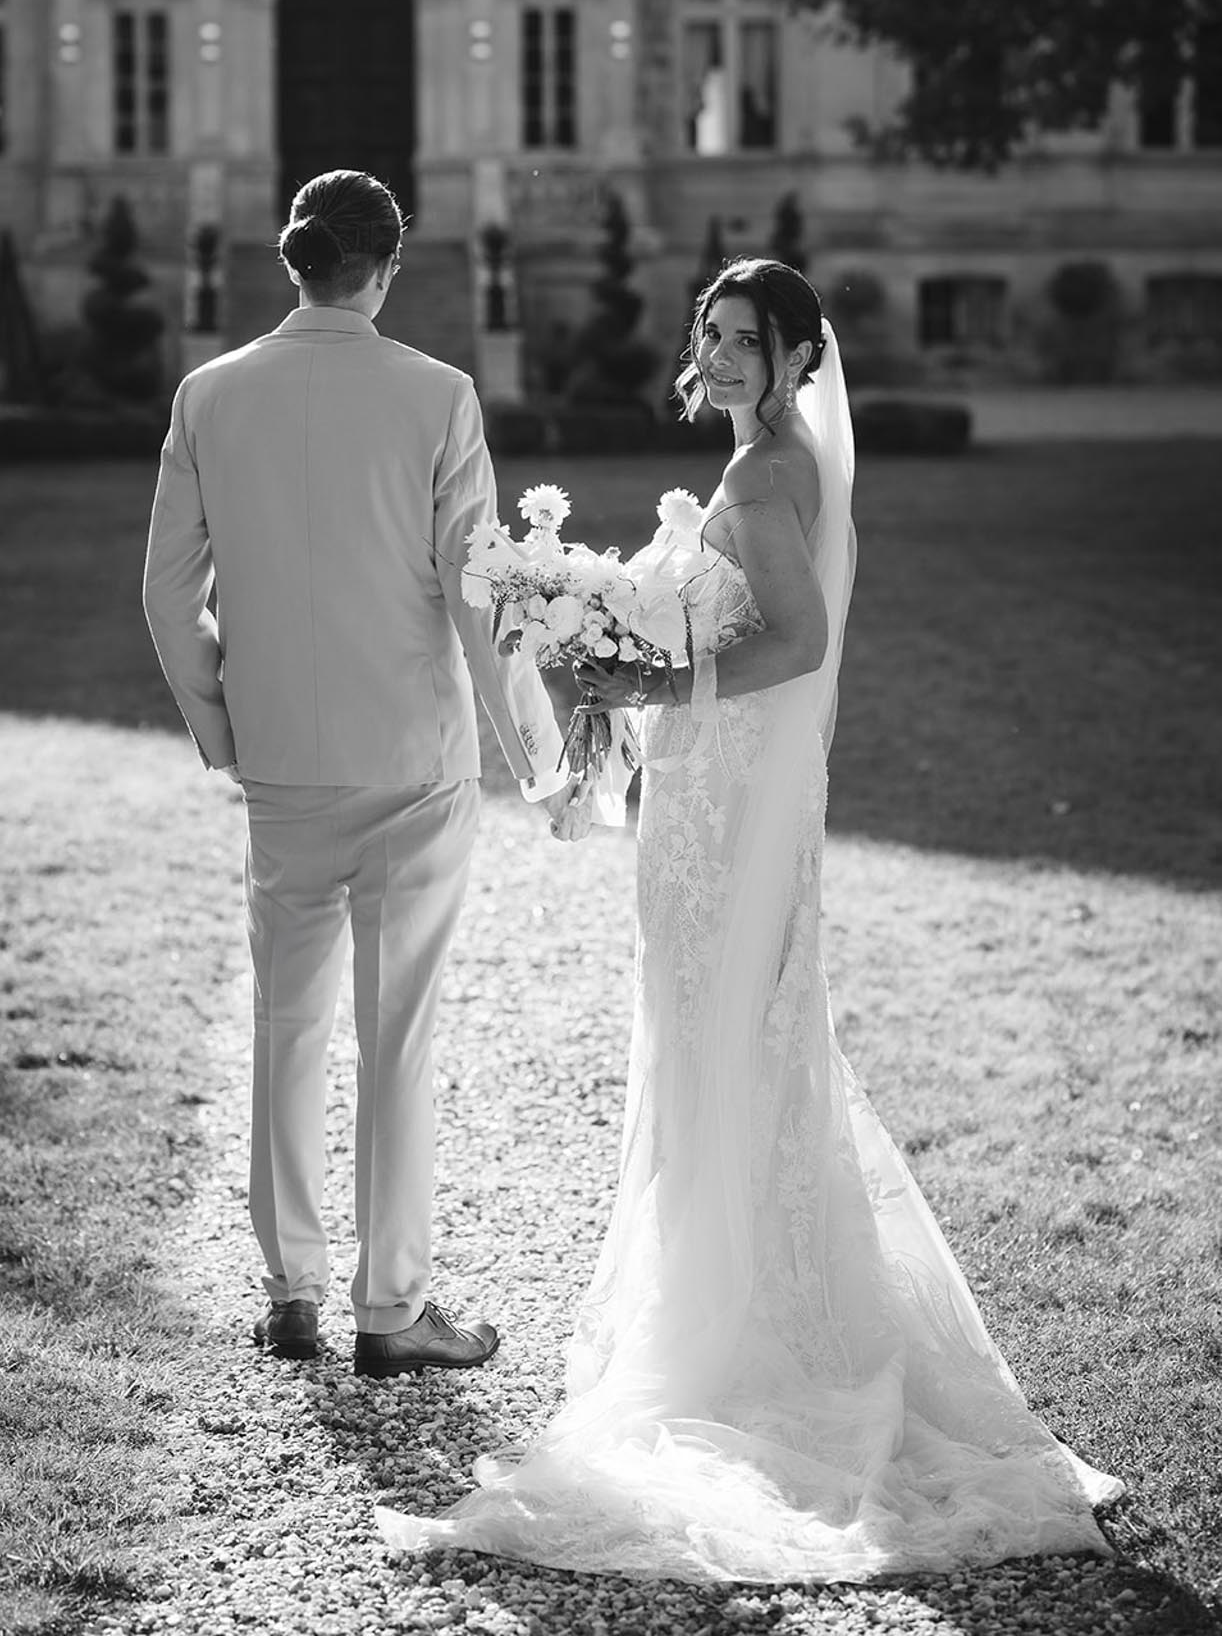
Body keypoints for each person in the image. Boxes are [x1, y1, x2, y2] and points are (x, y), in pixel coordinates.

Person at [378, 259, 1123, 1581]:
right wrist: (620, 655)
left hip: (727, 811)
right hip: (712, 803)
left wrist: (647, 674)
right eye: (709, 333)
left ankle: (741, 1341)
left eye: (744, 340)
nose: (717, 355)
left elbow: (795, 641)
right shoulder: (761, 469)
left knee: (726, 1053)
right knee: (728, 1056)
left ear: (793, 362)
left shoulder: (762, 477)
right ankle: (759, 1301)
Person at [142, 169, 568, 1379]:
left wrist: (226, 728)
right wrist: (536, 753)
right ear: (387, 266)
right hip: (410, 760)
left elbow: (169, 595)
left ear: (294, 265)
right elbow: (476, 596)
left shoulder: (209, 393)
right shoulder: (437, 395)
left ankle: (288, 1292)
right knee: (396, 1032)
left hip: (281, 759)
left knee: (286, 1021)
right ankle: (392, 1308)